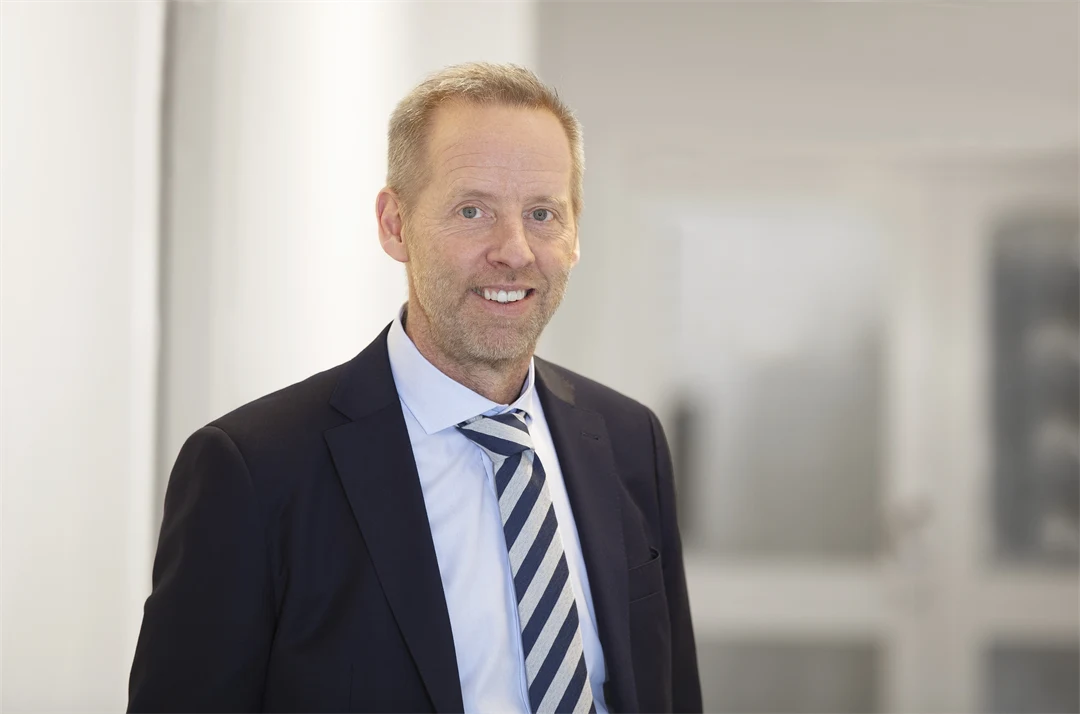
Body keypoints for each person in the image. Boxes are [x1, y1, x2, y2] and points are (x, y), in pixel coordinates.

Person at [128, 62, 702, 714]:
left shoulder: (629, 441)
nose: (514, 250)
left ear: (573, 236)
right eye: (472, 210)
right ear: (395, 224)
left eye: (543, 213)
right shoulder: (255, 471)